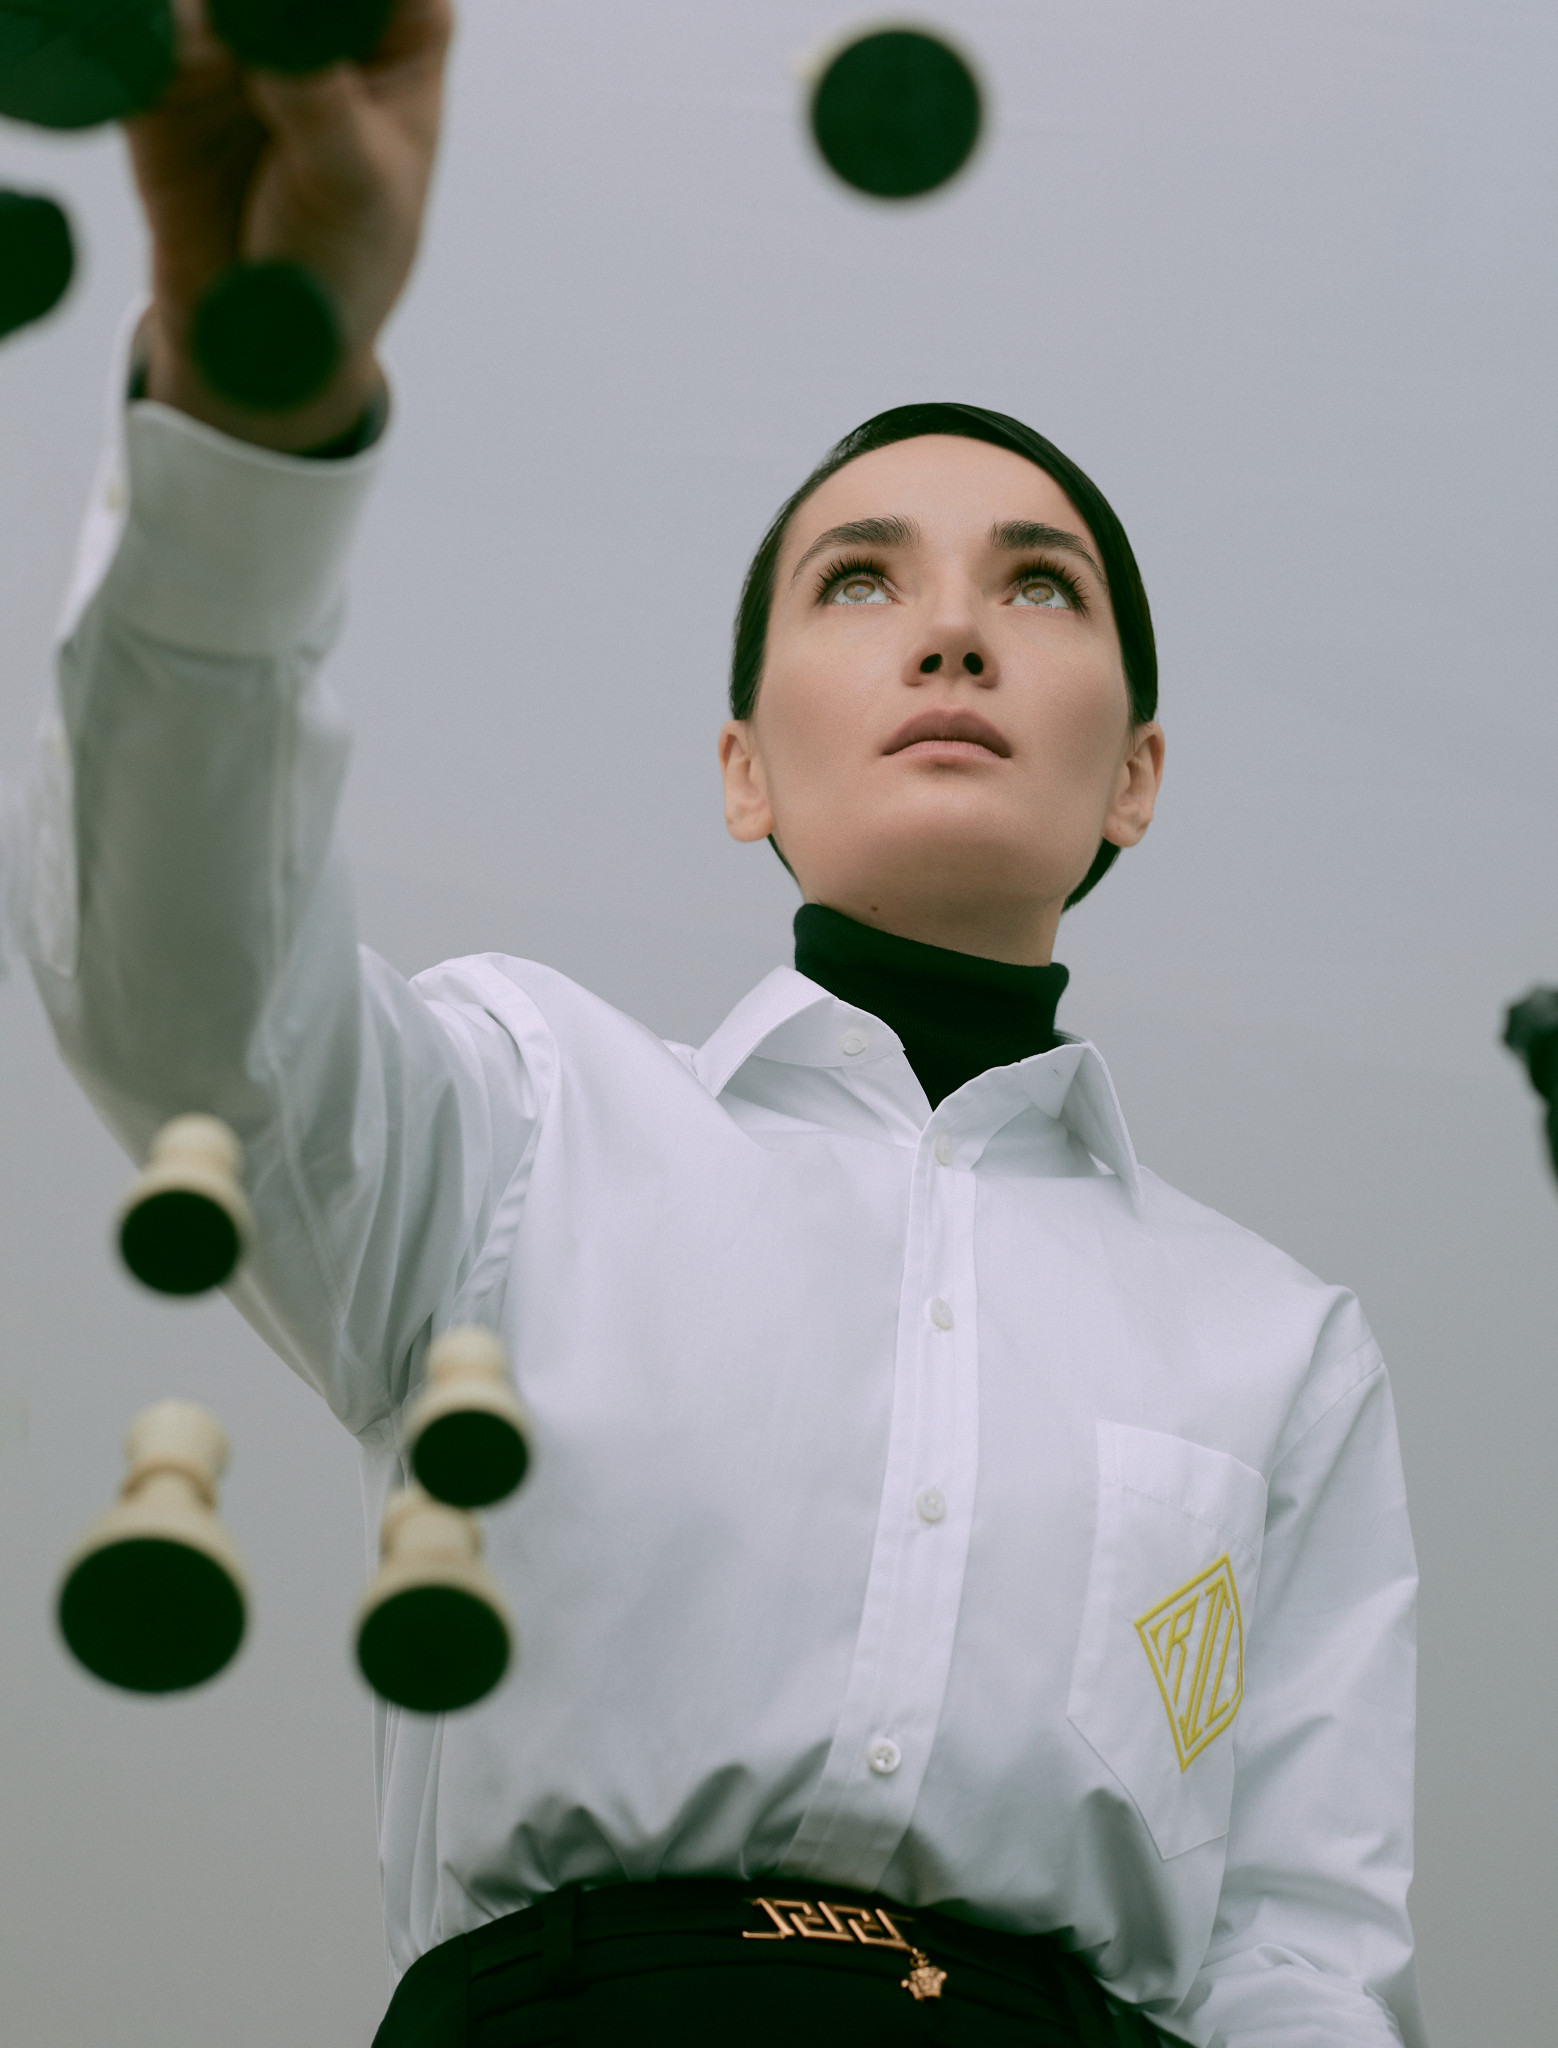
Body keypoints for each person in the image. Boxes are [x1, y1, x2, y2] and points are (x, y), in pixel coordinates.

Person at [24, 3, 1426, 2043]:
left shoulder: (1275, 1346)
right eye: (858, 580)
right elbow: (179, 1011)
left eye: (1038, 587)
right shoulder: (525, 1117)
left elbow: (1303, 1958)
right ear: (740, 765)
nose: (952, 626)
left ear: (1133, 773)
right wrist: (257, 421)